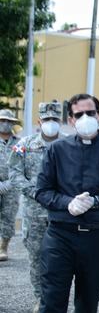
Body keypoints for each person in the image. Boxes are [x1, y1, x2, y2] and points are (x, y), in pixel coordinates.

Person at [35, 93, 99, 312]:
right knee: (52, 300)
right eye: (78, 114)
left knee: (88, 302)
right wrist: (67, 203)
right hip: (60, 235)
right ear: (71, 120)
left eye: (89, 113)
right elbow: (42, 191)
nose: (85, 118)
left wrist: (96, 201)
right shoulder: (56, 150)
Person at [8, 101, 63, 311]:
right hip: (35, 213)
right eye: (47, 119)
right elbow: (14, 173)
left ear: (61, 121)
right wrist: (35, 192)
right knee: (37, 257)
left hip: (62, 213)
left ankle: (58, 297)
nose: (51, 123)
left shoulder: (69, 145)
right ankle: (41, 297)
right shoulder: (25, 144)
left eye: (55, 120)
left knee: (63, 260)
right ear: (39, 121)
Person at [0, 108, 21, 261]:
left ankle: (3, 247)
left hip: (12, 187)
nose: (5, 124)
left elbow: (22, 165)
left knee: (8, 217)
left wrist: (10, 183)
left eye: (8, 121)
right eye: (2, 121)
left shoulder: (19, 143)